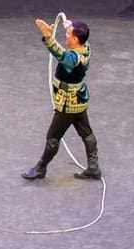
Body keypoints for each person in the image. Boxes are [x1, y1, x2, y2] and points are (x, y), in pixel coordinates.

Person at [22, 15, 101, 181]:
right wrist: (68, 26)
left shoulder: (74, 59)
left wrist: (48, 37)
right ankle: (93, 167)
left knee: (53, 137)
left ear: (75, 39)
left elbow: (60, 54)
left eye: (69, 35)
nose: (66, 36)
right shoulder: (86, 47)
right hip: (80, 100)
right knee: (86, 133)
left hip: (68, 104)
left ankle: (41, 168)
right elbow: (77, 34)